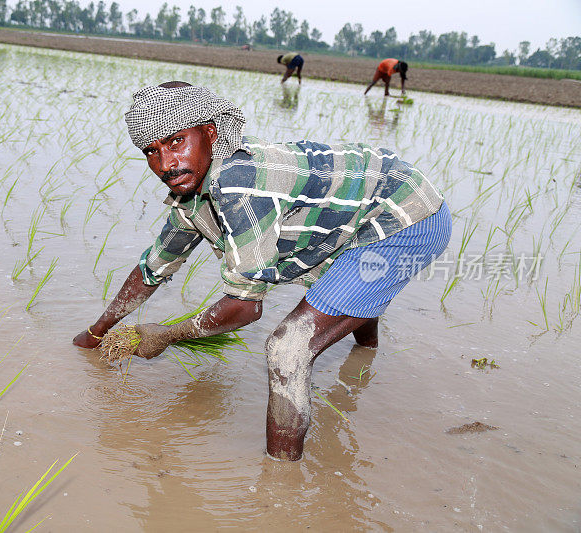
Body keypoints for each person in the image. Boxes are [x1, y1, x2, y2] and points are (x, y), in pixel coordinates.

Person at [73, 82, 451, 461]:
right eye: (151, 152)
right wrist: (96, 332)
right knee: (339, 291)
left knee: (287, 349)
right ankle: (363, 358)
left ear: (210, 133)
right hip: (353, 216)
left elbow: (245, 307)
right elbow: (153, 268)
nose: (165, 165)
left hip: (407, 216)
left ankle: (281, 485)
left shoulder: (239, 183)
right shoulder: (191, 197)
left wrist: (168, 335)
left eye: (175, 142)